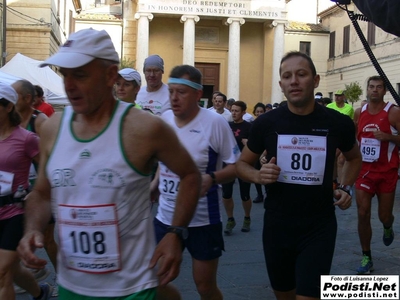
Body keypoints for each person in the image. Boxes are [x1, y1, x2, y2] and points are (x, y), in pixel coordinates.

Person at [17, 28, 202, 300]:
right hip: (72, 284)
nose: (69, 84)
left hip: (133, 287)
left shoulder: (144, 128)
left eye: (79, 74)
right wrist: (32, 228)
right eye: (64, 74)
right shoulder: (53, 128)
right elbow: (43, 193)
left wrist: (175, 233)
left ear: (110, 75)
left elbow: (190, 175)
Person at [235, 51, 362, 299]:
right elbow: (241, 165)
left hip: (319, 225)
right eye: (287, 76)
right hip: (277, 226)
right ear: (281, 84)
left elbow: (354, 157)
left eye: (301, 74)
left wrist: (345, 187)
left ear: (315, 81)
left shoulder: (338, 123)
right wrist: (259, 176)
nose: (294, 81)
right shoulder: (266, 123)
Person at [153, 65, 239, 300]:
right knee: (154, 281)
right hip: (165, 216)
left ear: (198, 94)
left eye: (181, 92)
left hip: (203, 219)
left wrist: (211, 178)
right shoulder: (164, 119)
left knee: (204, 287)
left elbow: (236, 167)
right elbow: (164, 161)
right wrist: (155, 183)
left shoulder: (215, 123)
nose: (174, 97)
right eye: (171, 91)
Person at [0, 82, 52, 299]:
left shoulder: (26, 138)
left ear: (9, 107)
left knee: (2, 273)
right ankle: (40, 293)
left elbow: (47, 169)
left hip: (14, 212)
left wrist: (37, 194)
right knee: (11, 271)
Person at [12, 79, 57, 295]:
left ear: (28, 99)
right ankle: (22, 273)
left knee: (48, 239)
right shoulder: (10, 121)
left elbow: (51, 159)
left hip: (40, 190)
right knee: (14, 233)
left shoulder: (40, 122)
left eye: (15, 95)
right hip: (16, 190)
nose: (10, 99)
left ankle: (63, 279)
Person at [353, 75, 400, 274]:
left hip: (387, 172)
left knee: (383, 216)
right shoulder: (359, 112)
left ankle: (388, 225)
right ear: (367, 89)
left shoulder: (393, 113)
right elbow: (355, 139)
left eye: (379, 87)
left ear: (384, 91)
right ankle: (366, 256)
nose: (374, 90)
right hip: (364, 172)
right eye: (371, 87)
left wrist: (388, 137)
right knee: (362, 212)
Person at [222, 100, 253, 234]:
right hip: (228, 164)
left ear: (243, 112)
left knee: (244, 195)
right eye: (232, 110)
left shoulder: (249, 127)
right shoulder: (227, 125)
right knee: (226, 194)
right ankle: (230, 219)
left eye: (236, 111)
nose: (233, 113)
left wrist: (248, 143)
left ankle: (247, 217)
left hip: (244, 164)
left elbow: (255, 147)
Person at [327, 89, 355, 186]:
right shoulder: (329, 106)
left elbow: (352, 123)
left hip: (343, 137)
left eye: (339, 95)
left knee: (341, 160)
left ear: (344, 97)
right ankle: (334, 179)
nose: (337, 97)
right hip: (331, 136)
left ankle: (341, 183)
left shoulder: (349, 108)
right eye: (336, 95)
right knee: (333, 158)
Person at [251, 102, 267, 204]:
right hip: (255, 152)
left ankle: (267, 193)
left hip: (266, 152)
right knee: (256, 172)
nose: (259, 113)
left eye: (261, 111)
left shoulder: (268, 124)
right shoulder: (252, 125)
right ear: (255, 113)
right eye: (257, 112)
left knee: (266, 173)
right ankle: (259, 194)